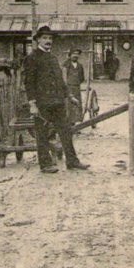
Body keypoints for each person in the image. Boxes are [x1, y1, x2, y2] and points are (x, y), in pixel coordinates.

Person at [22, 26, 89, 174]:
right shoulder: (31, 58)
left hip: (57, 102)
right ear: (38, 39)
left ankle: (72, 161)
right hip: (42, 104)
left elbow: (60, 81)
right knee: (42, 134)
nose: (48, 41)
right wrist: (32, 104)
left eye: (50, 38)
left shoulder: (53, 58)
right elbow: (29, 83)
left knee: (66, 132)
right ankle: (45, 164)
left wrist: (70, 96)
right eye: (45, 38)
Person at [62, 48, 86, 121]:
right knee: (69, 105)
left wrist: (76, 83)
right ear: (70, 55)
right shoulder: (66, 65)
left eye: (77, 54)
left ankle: (77, 121)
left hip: (77, 87)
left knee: (77, 104)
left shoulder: (80, 66)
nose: (75, 55)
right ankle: (69, 122)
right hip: (68, 88)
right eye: (74, 54)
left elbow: (82, 78)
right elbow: (63, 78)